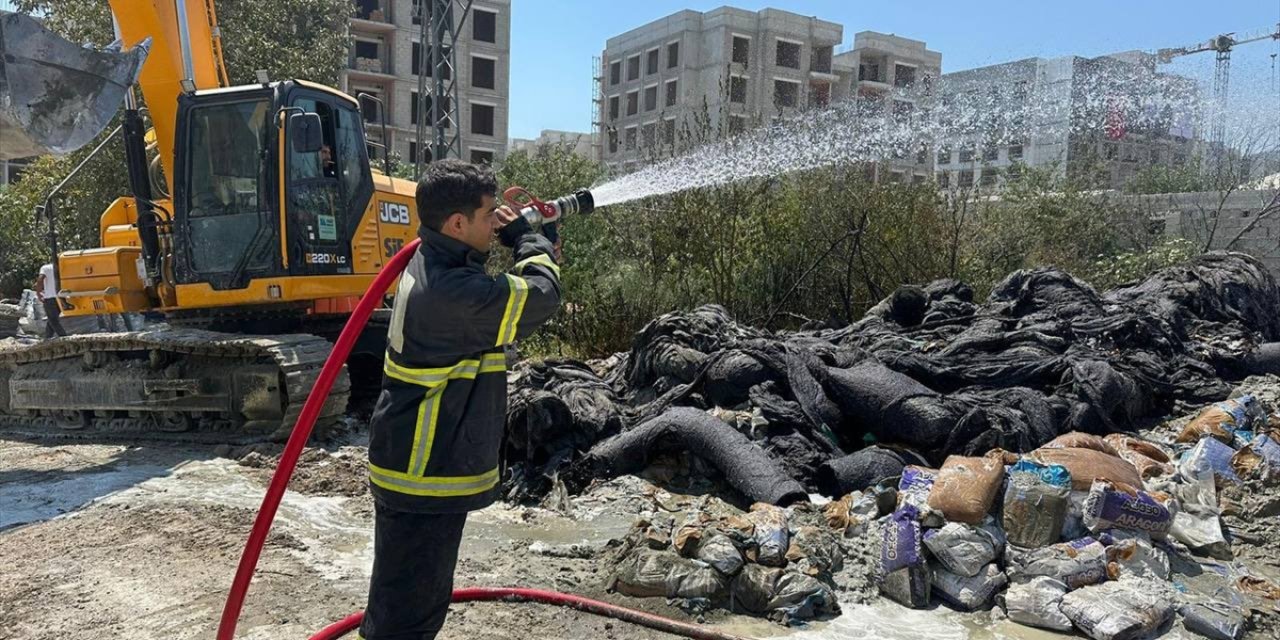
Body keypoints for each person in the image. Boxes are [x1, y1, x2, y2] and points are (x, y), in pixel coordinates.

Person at [359, 159, 562, 640]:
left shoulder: (436, 261)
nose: (497, 222)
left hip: (416, 465)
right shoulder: (452, 294)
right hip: (423, 473)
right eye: (490, 214)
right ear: (456, 223)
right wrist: (528, 241)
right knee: (407, 619)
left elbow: (493, 280)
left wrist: (519, 236)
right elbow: (543, 294)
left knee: (405, 603)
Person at [34, 263, 67, 338]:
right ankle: (47, 338)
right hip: (61, 297)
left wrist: (38, 293)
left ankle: (64, 338)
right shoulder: (62, 266)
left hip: (50, 298)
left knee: (53, 321)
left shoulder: (45, 268)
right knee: (51, 320)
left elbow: (40, 279)